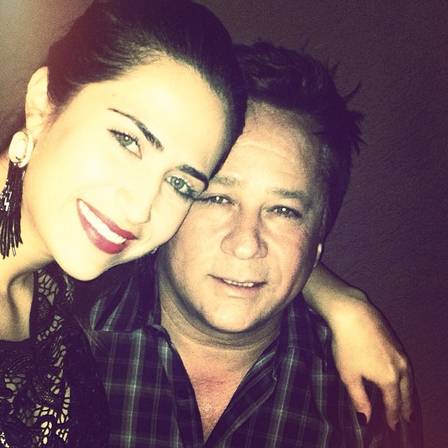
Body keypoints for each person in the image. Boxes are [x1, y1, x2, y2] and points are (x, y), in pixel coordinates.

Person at [90, 42, 421, 446]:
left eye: (283, 211)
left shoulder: (366, 402)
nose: (245, 244)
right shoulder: (61, 330)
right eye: (217, 198)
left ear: (319, 239)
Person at [0, 0, 247, 446]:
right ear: (43, 102)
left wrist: (342, 304)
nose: (139, 209)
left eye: (180, 184)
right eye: (128, 140)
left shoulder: (58, 282)